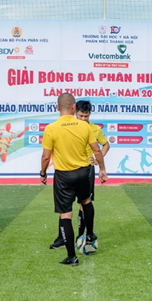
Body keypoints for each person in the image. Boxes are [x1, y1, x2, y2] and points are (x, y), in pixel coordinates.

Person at [39, 92, 107, 266]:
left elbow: (46, 157)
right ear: (74, 107)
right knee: (86, 201)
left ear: (56, 108)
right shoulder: (85, 126)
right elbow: (97, 150)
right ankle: (90, 234)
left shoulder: (51, 128)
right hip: (84, 172)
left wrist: (43, 173)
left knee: (65, 215)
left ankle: (72, 257)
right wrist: (102, 169)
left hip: (64, 176)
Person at [51, 100, 110, 249]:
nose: (83, 119)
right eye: (81, 115)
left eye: (86, 116)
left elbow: (106, 144)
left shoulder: (94, 129)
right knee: (65, 207)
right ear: (75, 112)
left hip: (86, 170)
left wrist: (98, 160)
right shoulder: (69, 127)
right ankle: (62, 238)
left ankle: (82, 235)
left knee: (84, 203)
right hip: (69, 170)